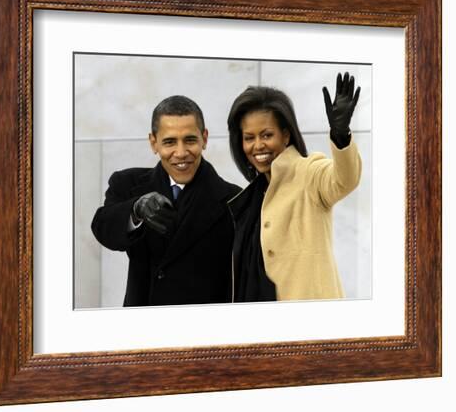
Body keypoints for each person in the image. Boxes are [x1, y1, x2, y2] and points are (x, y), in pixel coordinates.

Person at [92, 95, 241, 307]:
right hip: (144, 328)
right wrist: (136, 210)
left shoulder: (235, 199)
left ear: (204, 139)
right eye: (169, 142)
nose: (180, 153)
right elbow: (103, 228)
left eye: (190, 140)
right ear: (154, 143)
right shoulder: (127, 183)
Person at [226, 72, 362, 302]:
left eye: (267, 135)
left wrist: (341, 135)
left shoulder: (309, 172)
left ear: (286, 135)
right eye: (249, 137)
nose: (257, 145)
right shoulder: (252, 195)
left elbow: (343, 180)